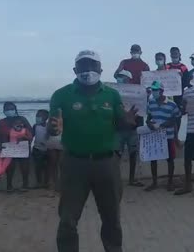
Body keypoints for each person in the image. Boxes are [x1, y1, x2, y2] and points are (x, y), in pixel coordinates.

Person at [51, 50, 139, 252]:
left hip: (107, 164)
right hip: (74, 164)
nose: (88, 71)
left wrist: (128, 121)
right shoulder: (61, 95)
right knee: (67, 220)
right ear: (75, 70)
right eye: (83, 66)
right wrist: (53, 128)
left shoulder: (112, 94)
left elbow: (121, 122)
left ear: (100, 69)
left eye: (92, 66)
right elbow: (52, 125)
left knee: (111, 218)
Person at [144, 81, 181, 192]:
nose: (154, 92)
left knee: (170, 160)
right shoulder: (150, 103)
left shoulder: (172, 104)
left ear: (162, 91)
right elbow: (148, 117)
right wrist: (149, 124)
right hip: (155, 136)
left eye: (156, 90)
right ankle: (154, 182)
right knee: (153, 159)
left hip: (168, 136)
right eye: (153, 90)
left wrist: (174, 134)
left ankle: (170, 182)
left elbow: (176, 118)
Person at [115, 65, 144, 187]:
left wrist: (139, 127)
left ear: (128, 79)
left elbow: (142, 110)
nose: (120, 79)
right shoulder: (114, 93)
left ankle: (132, 179)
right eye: (119, 77)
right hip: (118, 129)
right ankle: (115, 179)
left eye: (122, 77)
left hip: (133, 129)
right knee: (116, 155)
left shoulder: (138, 92)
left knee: (133, 155)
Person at [0, 102, 33, 192]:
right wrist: (1, 148)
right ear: (4, 111)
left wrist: (26, 139)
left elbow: (30, 132)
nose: (9, 111)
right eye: (7, 109)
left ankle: (25, 185)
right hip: (8, 148)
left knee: (25, 166)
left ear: (15, 109)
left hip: (22, 147)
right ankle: (9, 186)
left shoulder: (22, 119)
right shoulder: (1, 122)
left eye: (11, 109)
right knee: (10, 167)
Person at [166, 47, 189, 138]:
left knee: (178, 116)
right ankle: (168, 136)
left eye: (176, 53)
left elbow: (187, 82)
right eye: (172, 53)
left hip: (179, 95)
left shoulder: (183, 67)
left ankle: (176, 136)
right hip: (168, 95)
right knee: (167, 115)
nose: (174, 55)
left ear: (179, 54)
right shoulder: (167, 66)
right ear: (170, 55)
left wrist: (182, 77)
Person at [32, 109, 50, 189]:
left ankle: (46, 182)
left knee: (47, 167)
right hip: (37, 149)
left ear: (46, 117)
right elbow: (31, 136)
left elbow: (50, 137)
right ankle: (38, 182)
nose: (37, 117)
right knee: (38, 167)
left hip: (48, 149)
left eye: (39, 116)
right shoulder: (35, 126)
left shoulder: (48, 127)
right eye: (37, 116)